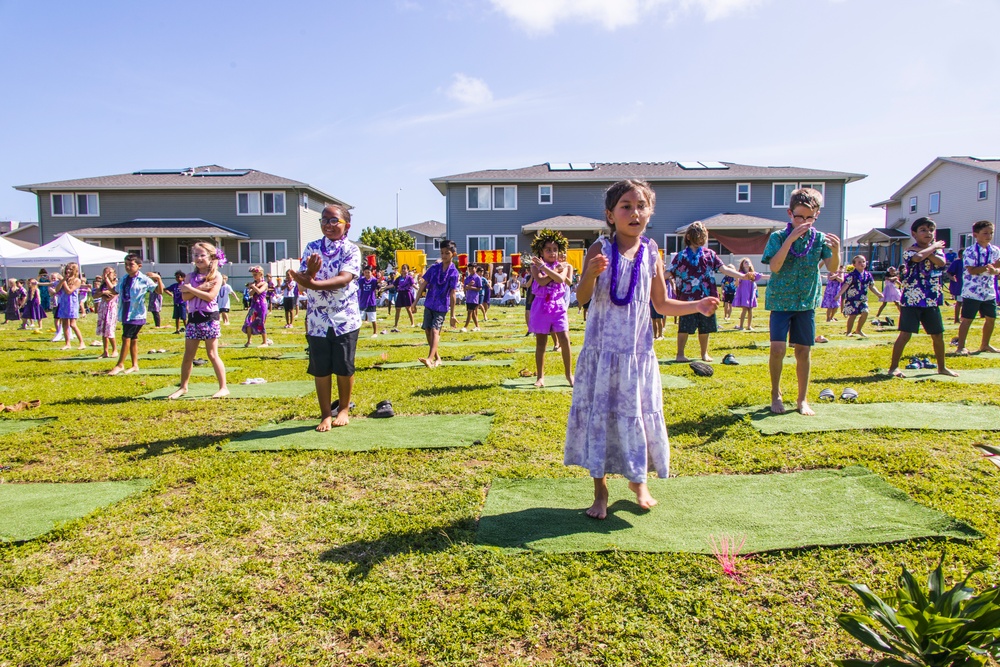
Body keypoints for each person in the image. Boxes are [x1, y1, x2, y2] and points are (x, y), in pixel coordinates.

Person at [565, 179, 719, 520]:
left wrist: (697, 305)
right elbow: (582, 298)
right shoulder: (599, 250)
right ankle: (600, 490)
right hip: (602, 354)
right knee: (601, 417)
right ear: (610, 214)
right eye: (626, 206)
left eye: (641, 206)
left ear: (650, 212)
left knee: (636, 414)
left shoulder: (652, 252)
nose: (635, 212)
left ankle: (639, 480)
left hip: (636, 355)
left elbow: (661, 304)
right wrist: (589, 274)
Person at [761, 187, 840, 415]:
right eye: (799, 216)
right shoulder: (778, 237)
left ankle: (802, 399)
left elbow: (833, 269)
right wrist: (790, 239)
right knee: (777, 349)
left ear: (816, 216)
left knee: (803, 351)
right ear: (789, 214)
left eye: (809, 217)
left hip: (806, 301)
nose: (804, 221)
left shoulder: (820, 240)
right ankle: (776, 394)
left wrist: (836, 251)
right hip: (780, 301)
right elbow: (775, 266)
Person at [289, 204, 362, 430]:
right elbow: (302, 281)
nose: (327, 225)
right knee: (320, 368)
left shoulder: (351, 250)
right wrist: (308, 275)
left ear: (346, 226)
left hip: (344, 318)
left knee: (343, 366)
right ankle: (325, 414)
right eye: (324, 220)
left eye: (333, 221)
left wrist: (313, 283)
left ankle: (343, 408)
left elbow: (344, 278)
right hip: (317, 320)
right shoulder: (312, 247)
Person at [887, 218, 957, 378]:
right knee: (905, 334)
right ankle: (893, 367)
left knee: (938, 335)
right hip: (912, 299)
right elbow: (917, 258)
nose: (928, 233)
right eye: (923, 230)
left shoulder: (937, 251)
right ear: (914, 233)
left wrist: (929, 251)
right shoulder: (909, 250)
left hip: (931, 299)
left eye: (931, 230)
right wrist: (933, 247)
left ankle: (942, 367)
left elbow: (940, 262)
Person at [667, 221, 745, 362]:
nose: (701, 237)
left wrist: (743, 276)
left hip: (707, 298)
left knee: (705, 327)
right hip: (687, 300)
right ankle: (680, 354)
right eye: (697, 234)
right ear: (689, 237)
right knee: (684, 327)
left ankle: (704, 353)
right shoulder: (681, 256)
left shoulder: (710, 255)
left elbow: (725, 269)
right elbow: (668, 273)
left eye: (703, 234)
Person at [168, 242, 228, 399]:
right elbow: (184, 296)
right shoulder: (190, 276)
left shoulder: (216, 276)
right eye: (196, 255)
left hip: (209, 317)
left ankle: (223, 387)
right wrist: (201, 288)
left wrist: (192, 289)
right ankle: (183, 387)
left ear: (210, 257)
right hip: (193, 318)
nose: (199, 258)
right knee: (188, 355)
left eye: (202, 255)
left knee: (212, 353)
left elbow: (210, 296)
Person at [528, 229, 574, 387]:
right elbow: (541, 282)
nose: (552, 253)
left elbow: (561, 279)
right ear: (541, 251)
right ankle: (540, 377)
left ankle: (569, 375)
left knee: (565, 338)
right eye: (548, 249)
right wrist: (551, 271)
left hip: (558, 305)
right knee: (541, 342)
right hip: (540, 305)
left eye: (555, 249)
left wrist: (549, 270)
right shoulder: (535, 267)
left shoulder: (564, 266)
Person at [108, 254, 164, 375]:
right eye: (126, 264)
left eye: (131, 265)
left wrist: (158, 279)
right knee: (133, 339)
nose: (128, 267)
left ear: (139, 266)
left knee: (126, 337)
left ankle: (120, 364)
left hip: (136, 313)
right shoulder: (124, 279)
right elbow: (115, 290)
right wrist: (104, 288)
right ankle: (134, 365)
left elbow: (159, 291)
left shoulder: (144, 279)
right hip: (125, 311)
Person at [954, 220, 1000, 355]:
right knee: (967, 319)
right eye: (985, 233)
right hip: (972, 291)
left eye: (991, 233)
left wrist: (995, 271)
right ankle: (960, 346)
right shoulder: (969, 251)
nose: (988, 235)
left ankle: (985, 344)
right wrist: (990, 267)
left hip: (989, 290)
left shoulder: (995, 250)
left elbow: (998, 269)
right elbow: (972, 270)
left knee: (991, 318)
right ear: (975, 234)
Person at [413, 240, 459, 368]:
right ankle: (437, 358)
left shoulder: (454, 273)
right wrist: (415, 302)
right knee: (427, 330)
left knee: (435, 330)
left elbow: (453, 293)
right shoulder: (434, 268)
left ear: (453, 254)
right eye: (442, 253)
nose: (444, 256)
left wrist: (453, 314)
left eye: (447, 253)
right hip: (429, 303)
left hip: (441, 306)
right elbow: (423, 284)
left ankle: (429, 358)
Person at [838, 255, 883, 337]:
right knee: (852, 316)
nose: (862, 263)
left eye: (863, 261)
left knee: (865, 312)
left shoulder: (868, 275)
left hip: (863, 299)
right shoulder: (851, 275)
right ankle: (848, 332)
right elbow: (845, 285)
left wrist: (878, 294)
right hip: (852, 299)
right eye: (859, 262)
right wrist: (839, 295)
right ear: (854, 265)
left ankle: (859, 330)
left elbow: (871, 286)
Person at [54, 262, 87, 350]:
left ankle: (82, 342)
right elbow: (56, 290)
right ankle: (67, 343)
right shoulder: (65, 280)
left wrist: (64, 281)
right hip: (63, 303)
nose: (68, 271)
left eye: (70, 269)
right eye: (67, 269)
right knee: (64, 324)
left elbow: (69, 291)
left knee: (72, 324)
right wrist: (63, 280)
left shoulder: (77, 280)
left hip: (72, 303)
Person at [733, 258, 764, 331]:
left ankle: (749, 326)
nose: (747, 263)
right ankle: (741, 326)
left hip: (750, 293)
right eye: (745, 262)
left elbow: (762, 276)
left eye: (748, 262)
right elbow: (736, 284)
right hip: (744, 293)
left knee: (750, 309)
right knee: (744, 309)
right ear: (742, 265)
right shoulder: (740, 273)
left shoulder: (753, 273)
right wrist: (737, 278)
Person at [95, 267, 119, 358]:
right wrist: (103, 292)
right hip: (103, 308)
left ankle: (115, 350)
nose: (107, 275)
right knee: (103, 329)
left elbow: (110, 296)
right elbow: (95, 295)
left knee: (109, 329)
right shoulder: (102, 285)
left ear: (114, 274)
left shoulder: (116, 284)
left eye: (109, 273)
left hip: (111, 308)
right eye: (105, 273)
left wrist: (103, 293)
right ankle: (105, 351)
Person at [242, 266, 269, 347]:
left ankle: (264, 342)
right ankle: (249, 340)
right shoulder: (255, 283)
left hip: (261, 305)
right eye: (253, 275)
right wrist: (253, 286)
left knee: (261, 323)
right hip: (254, 305)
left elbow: (260, 291)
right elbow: (250, 294)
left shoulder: (265, 283)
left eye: (255, 274)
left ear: (261, 274)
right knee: (248, 321)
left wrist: (253, 286)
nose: (254, 276)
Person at [391, 264, 416, 330]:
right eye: (402, 268)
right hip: (400, 294)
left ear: (407, 270)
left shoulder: (409, 278)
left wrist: (419, 288)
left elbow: (413, 284)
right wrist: (385, 287)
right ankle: (395, 324)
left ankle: (412, 323)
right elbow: (393, 285)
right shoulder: (399, 278)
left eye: (405, 269)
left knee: (408, 309)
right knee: (397, 309)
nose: (403, 270)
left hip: (407, 294)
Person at [358, 265, 379, 337]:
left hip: (371, 302)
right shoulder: (361, 280)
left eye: (368, 272)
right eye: (365, 272)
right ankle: (356, 333)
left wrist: (381, 276)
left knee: (373, 319)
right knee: (359, 319)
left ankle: (375, 333)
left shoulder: (373, 280)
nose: (367, 274)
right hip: (362, 302)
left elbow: (378, 282)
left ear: (372, 272)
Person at [461, 264, 483, 331]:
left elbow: (479, 288)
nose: (470, 270)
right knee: (473, 313)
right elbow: (465, 287)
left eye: (472, 268)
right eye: (469, 268)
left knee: (470, 312)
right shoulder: (467, 278)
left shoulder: (477, 278)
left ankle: (465, 327)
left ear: (475, 268)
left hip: (474, 298)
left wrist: (471, 287)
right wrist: (468, 286)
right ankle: (477, 326)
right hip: (468, 298)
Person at [946, 253, 964, 325]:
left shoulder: (970, 262)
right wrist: (953, 279)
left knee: (967, 303)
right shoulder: (957, 262)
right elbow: (949, 272)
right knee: (959, 302)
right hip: (960, 285)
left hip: (969, 286)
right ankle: (956, 319)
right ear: (960, 255)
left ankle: (963, 318)